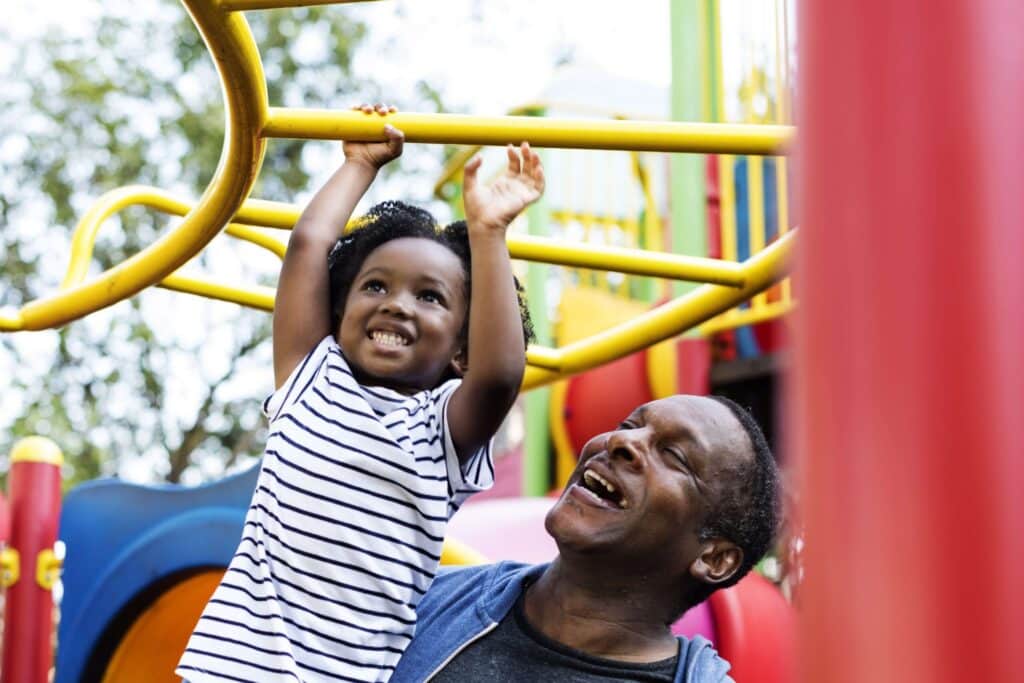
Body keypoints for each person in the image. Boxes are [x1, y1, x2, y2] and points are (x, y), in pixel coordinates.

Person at [177, 104, 543, 682]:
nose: (396, 302)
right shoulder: (311, 379)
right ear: (341, 308)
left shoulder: (440, 430)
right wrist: (358, 166)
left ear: (460, 351)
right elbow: (307, 247)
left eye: (430, 297)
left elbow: (500, 375)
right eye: (376, 285)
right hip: (232, 668)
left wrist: (489, 234)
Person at [390, 394, 781, 682]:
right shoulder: (420, 602)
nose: (620, 442)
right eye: (629, 426)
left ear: (714, 559)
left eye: (675, 456)